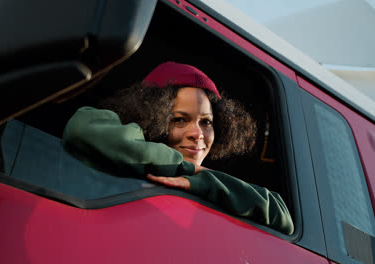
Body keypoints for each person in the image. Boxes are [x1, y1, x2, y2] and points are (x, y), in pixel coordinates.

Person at [62, 62, 294, 235]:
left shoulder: (210, 185)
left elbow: (281, 214)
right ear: (151, 117)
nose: (198, 134)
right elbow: (82, 128)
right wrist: (181, 167)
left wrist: (205, 180)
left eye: (207, 122)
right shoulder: (121, 160)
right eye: (180, 119)